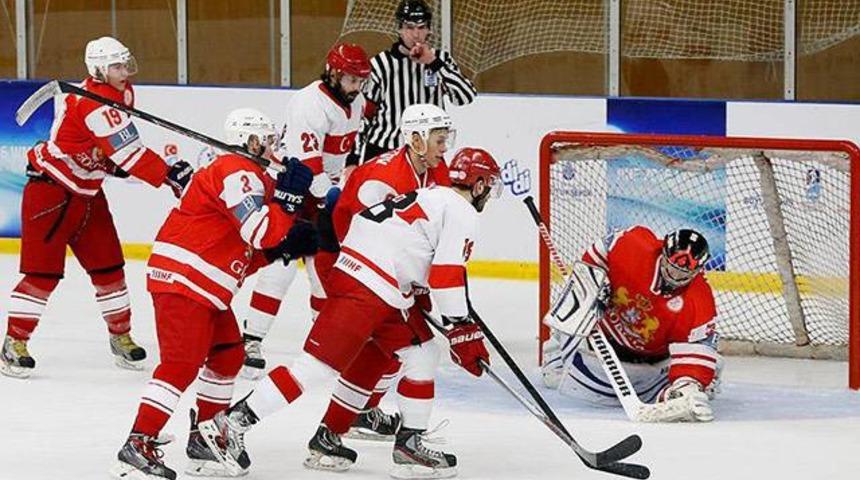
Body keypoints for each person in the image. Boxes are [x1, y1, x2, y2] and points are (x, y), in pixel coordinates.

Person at [198, 149, 503, 479]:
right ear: (480, 184)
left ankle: (409, 442)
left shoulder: (434, 194)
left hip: (377, 283)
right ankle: (229, 425)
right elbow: (446, 273)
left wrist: (442, 309)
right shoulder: (462, 211)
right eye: (491, 187)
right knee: (314, 367)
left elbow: (416, 252)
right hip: (368, 286)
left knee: (422, 351)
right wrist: (461, 327)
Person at [109, 108, 317, 480]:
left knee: (227, 355)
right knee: (180, 364)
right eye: (267, 141)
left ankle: (205, 435)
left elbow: (246, 253)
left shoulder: (249, 177)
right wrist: (286, 201)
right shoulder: (237, 172)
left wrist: (281, 247)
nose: (272, 149)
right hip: (184, 282)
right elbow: (259, 232)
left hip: (204, 286)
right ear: (250, 141)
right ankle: (137, 442)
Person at [0, 36, 193, 379]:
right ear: (99, 70)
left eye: (125, 64)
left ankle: (121, 336)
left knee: (110, 268)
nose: (124, 72)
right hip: (50, 193)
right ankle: (14, 343)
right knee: (42, 276)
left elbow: (112, 152)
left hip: (88, 194)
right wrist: (168, 175)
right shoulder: (92, 105)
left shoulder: (122, 95)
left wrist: (117, 164)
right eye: (117, 66)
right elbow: (129, 153)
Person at [309, 105, 461, 453]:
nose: (444, 147)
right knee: (406, 348)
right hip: (351, 268)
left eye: (445, 139)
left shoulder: (436, 172)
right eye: (439, 140)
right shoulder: (380, 178)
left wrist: (420, 282)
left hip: (391, 277)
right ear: (416, 140)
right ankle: (391, 437)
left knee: (386, 352)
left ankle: (339, 427)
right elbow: (358, 238)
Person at [240, 42, 371, 378]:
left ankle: (325, 345)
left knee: (323, 271)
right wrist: (332, 200)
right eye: (352, 80)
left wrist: (335, 192)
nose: (358, 87)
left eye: (362, 80)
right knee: (280, 266)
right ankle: (250, 340)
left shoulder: (355, 104)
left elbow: (337, 159)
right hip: (292, 185)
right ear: (333, 73)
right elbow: (308, 167)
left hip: (322, 190)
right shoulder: (309, 104)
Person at [541, 226, 722, 422]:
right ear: (663, 253)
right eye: (672, 268)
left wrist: (687, 385)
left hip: (650, 364)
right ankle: (557, 351)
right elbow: (601, 251)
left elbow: (696, 351)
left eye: (683, 274)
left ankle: (688, 384)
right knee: (572, 309)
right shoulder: (634, 247)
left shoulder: (699, 302)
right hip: (600, 337)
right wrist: (596, 281)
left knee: (687, 390)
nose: (675, 278)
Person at [351, 0, 476, 166]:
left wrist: (433, 62)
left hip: (429, 154)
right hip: (386, 153)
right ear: (399, 29)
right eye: (410, 27)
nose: (416, 35)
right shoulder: (380, 65)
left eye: (421, 27)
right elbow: (363, 116)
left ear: (429, 29)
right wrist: (352, 159)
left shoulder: (441, 60)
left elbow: (465, 96)